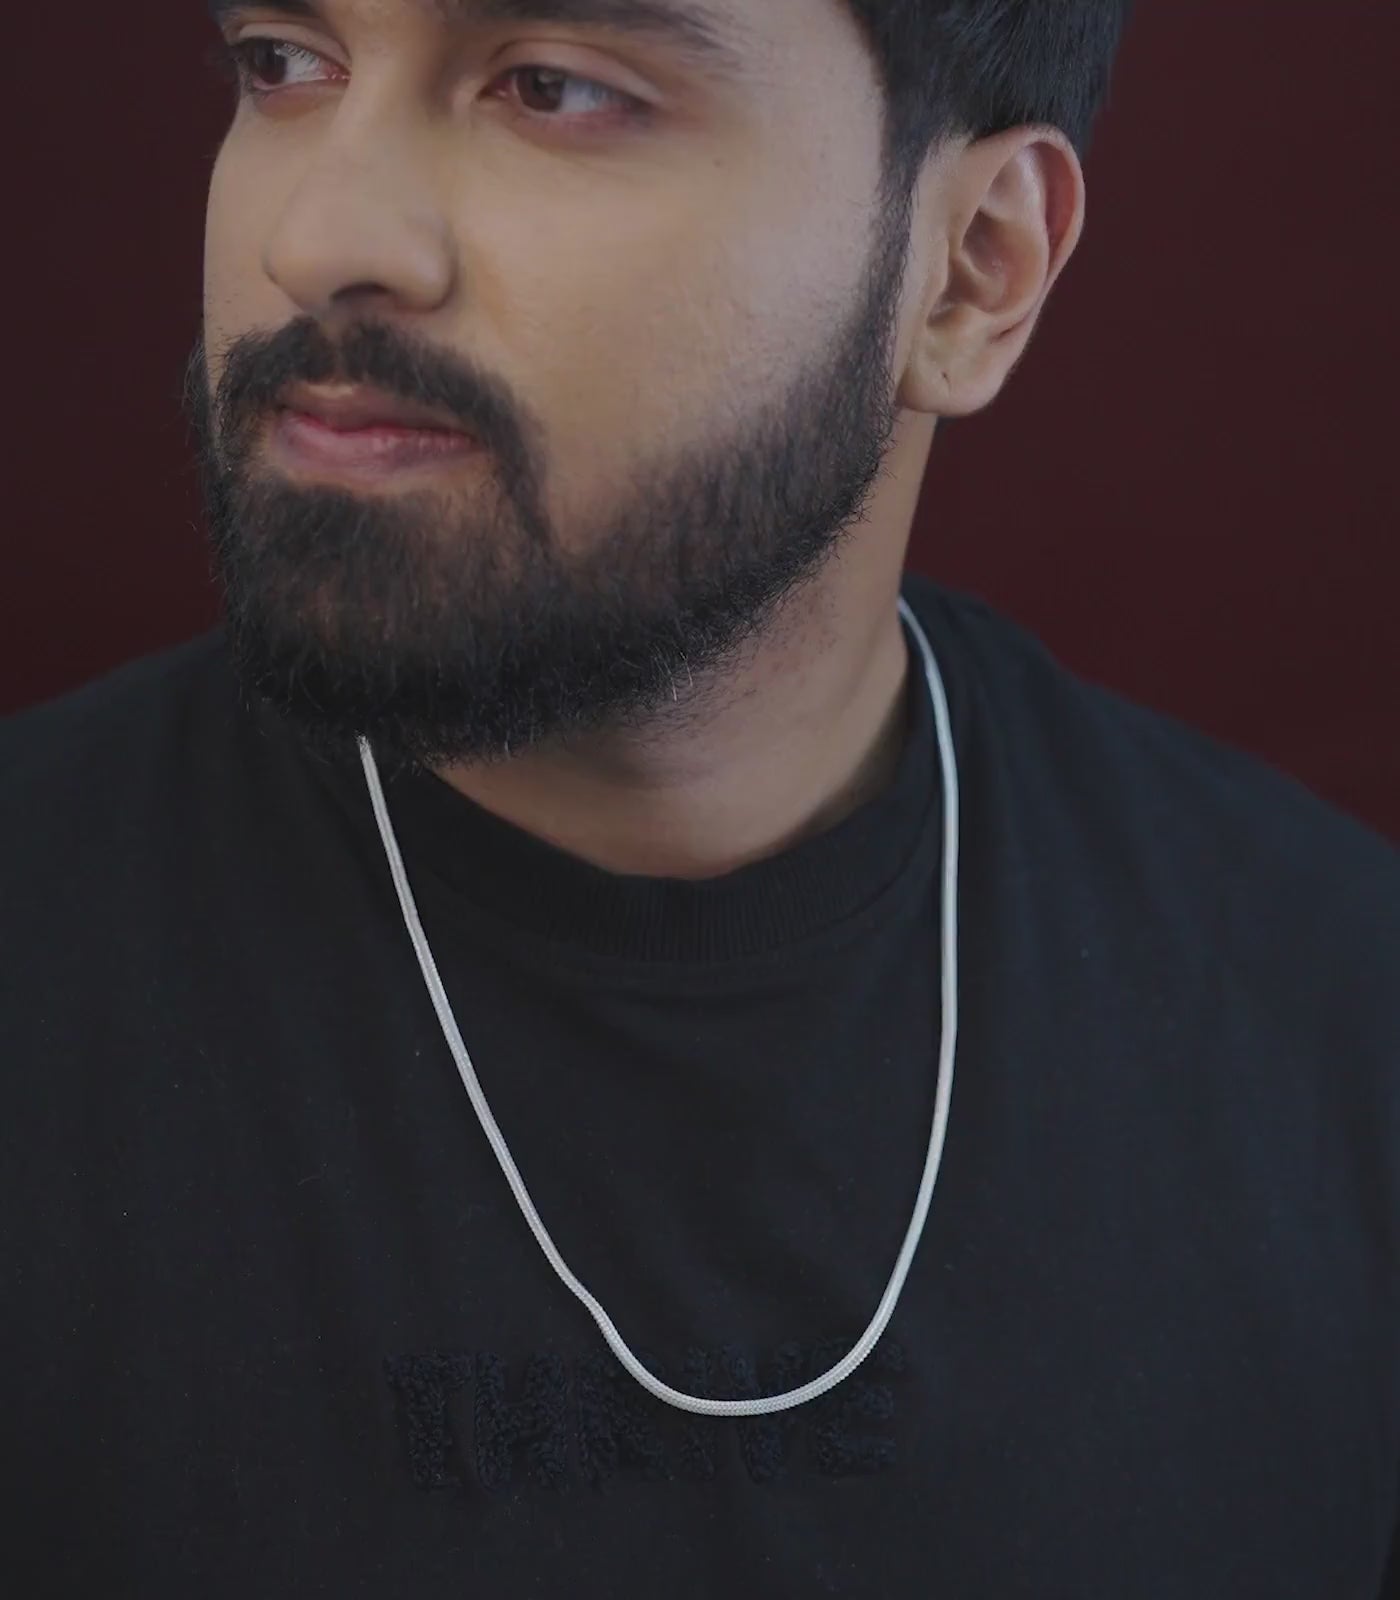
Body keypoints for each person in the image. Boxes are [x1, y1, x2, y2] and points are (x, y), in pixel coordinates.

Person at [2, 0, 1397, 1592]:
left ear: (971, 273)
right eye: (284, 63)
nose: (317, 240)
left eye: (554, 88)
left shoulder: (1342, 1032)